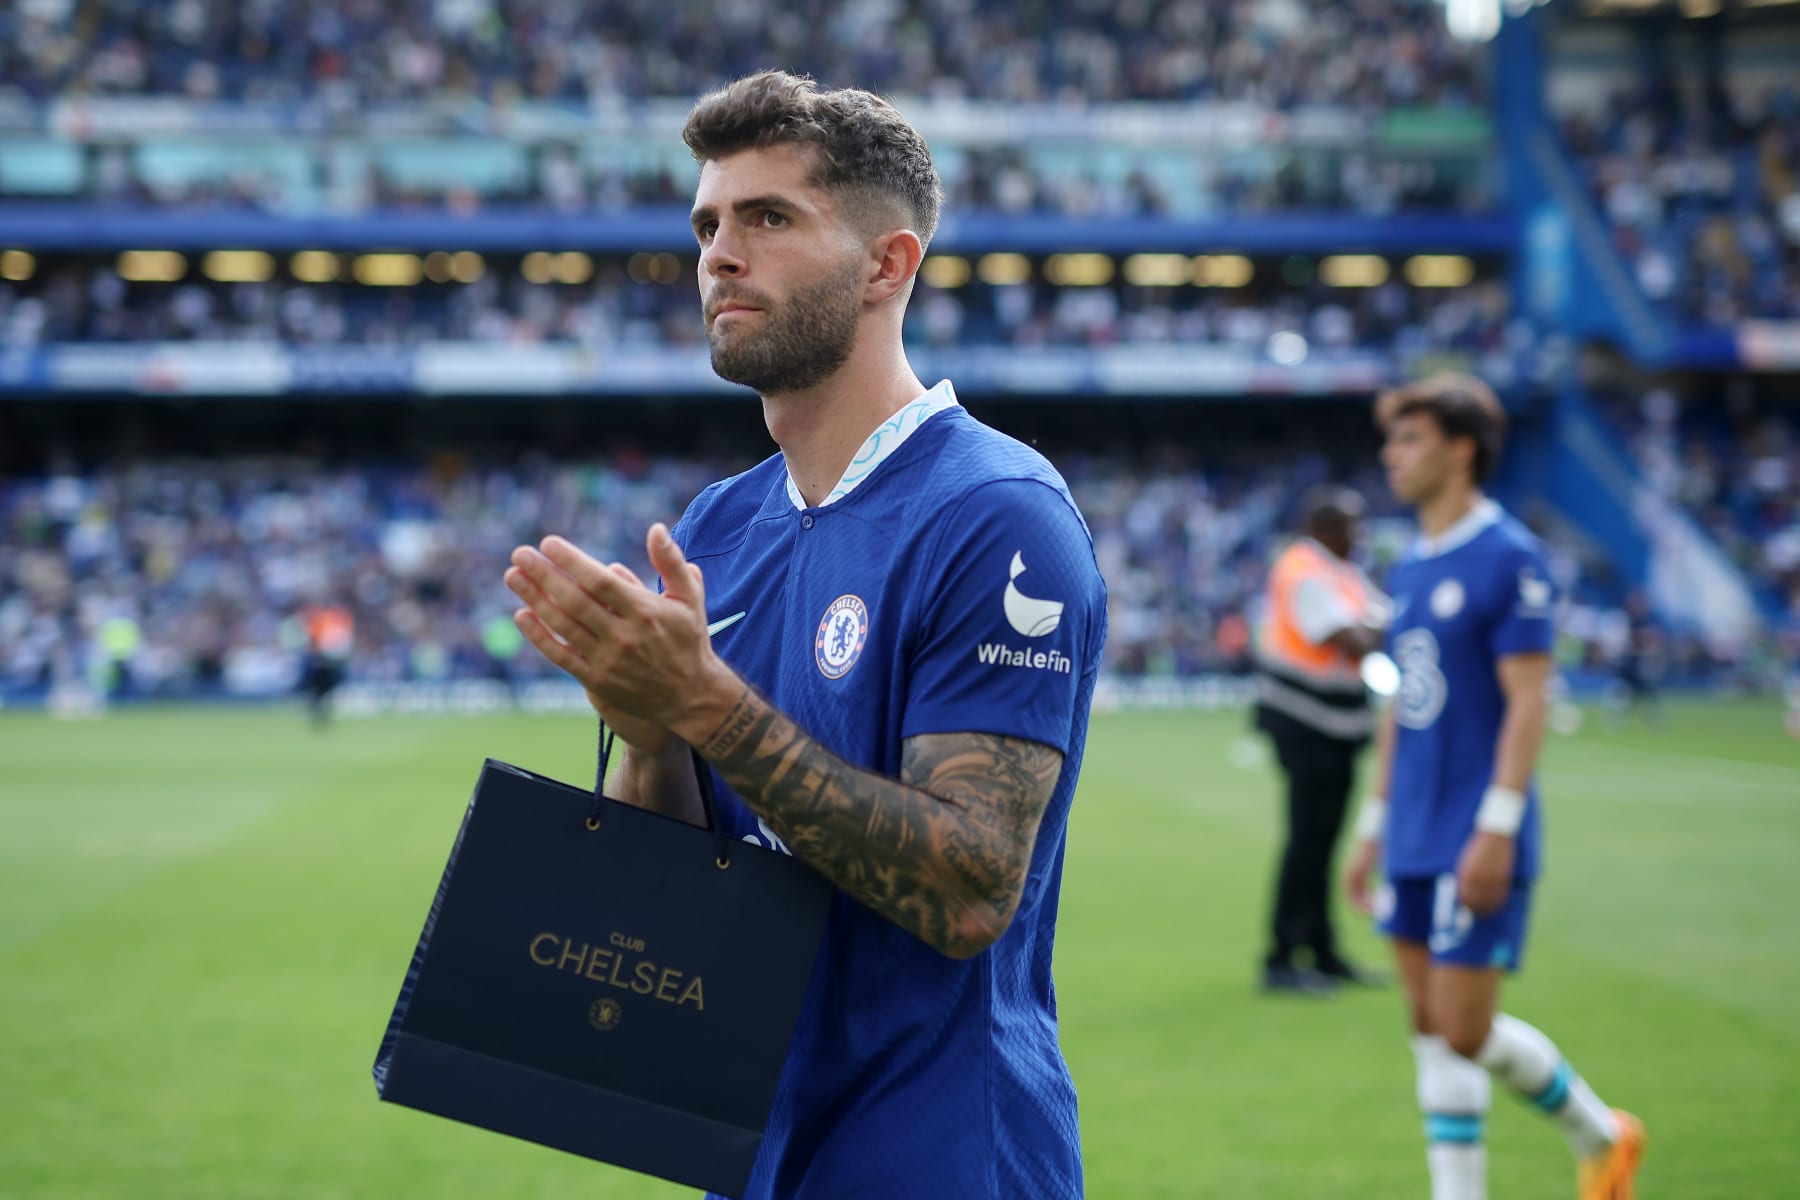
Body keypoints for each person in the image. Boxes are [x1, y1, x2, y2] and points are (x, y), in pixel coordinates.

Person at [503, 71, 1106, 1200]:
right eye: (709, 224)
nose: (719, 254)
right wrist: (646, 739)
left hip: (940, 1154)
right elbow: (668, 886)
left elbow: (973, 891)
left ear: (888, 265)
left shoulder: (996, 515)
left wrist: (708, 711)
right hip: (753, 1143)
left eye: (769, 218)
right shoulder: (718, 528)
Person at [1342, 375, 1647, 1200]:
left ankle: (1601, 1132)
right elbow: (1403, 709)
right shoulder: (1408, 566)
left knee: (1464, 1027)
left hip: (1476, 827)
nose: (1390, 455)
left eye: (1408, 439)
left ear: (1461, 447)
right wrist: (1372, 825)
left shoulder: (1509, 555)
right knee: (1428, 1026)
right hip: (1410, 828)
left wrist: (1499, 825)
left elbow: (1529, 699)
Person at [1252, 485, 1389, 994]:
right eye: (1351, 523)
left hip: (1334, 724)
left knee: (1323, 842)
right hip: (1305, 721)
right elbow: (1353, 640)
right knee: (1307, 842)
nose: (1360, 533)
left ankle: (1322, 948)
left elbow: (1378, 622)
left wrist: (1374, 624)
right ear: (1323, 527)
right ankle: (1282, 956)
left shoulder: (1339, 570)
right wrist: (1375, 625)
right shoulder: (1304, 570)